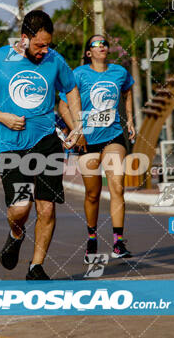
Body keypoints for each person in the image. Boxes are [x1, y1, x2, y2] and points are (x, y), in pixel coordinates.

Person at [0, 10, 83, 280]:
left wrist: (78, 125)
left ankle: (36, 266)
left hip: (47, 142)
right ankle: (15, 233)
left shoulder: (54, 59)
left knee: (46, 207)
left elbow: (70, 88)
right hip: (11, 145)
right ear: (24, 38)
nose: (44, 50)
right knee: (21, 207)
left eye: (48, 44)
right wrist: (1, 116)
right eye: (39, 45)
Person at [59, 34, 136, 263]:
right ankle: (92, 238)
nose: (101, 46)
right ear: (88, 52)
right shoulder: (78, 74)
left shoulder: (119, 72)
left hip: (113, 136)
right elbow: (63, 106)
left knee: (117, 187)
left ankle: (118, 243)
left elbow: (128, 91)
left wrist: (129, 119)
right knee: (92, 194)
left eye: (104, 43)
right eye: (96, 44)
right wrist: (76, 131)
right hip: (87, 141)